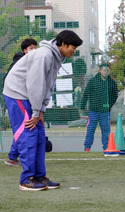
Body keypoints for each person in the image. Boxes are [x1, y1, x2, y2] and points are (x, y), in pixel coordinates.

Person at [3, 30, 83, 191]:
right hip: (17, 93)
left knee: (40, 135)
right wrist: (35, 111)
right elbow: (35, 85)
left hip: (29, 96)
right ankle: (26, 180)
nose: (74, 51)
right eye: (73, 48)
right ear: (63, 44)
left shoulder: (57, 56)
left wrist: (41, 110)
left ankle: (39, 176)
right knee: (29, 134)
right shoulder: (44, 55)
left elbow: (48, 85)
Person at [4, 38, 37, 167]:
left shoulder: (33, 62)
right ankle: (22, 160)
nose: (33, 50)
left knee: (25, 126)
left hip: (24, 98)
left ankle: (13, 156)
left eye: (35, 47)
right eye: (30, 48)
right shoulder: (20, 62)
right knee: (23, 127)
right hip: (16, 96)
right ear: (24, 51)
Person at [80, 63, 118, 152]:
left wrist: (109, 105)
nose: (106, 72)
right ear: (100, 71)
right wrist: (82, 106)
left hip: (105, 111)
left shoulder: (112, 82)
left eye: (107, 70)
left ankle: (106, 147)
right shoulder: (93, 81)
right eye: (104, 70)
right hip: (93, 111)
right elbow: (86, 93)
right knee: (90, 129)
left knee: (106, 130)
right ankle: (87, 147)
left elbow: (114, 95)